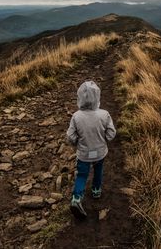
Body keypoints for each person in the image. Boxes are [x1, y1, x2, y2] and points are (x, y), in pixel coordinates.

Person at [66, 80, 116, 219]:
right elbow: (111, 134)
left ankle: (76, 199)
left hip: (83, 154)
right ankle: (96, 190)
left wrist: (77, 142)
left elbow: (70, 136)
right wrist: (104, 138)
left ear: (80, 97)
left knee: (82, 175)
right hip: (100, 152)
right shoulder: (104, 114)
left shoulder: (76, 116)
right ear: (97, 96)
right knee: (98, 170)